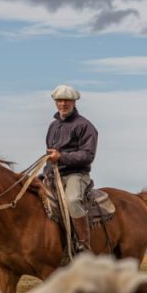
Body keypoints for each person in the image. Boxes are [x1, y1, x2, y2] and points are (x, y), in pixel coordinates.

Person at [45, 84, 98, 254]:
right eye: (59, 100)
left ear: (74, 102)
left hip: (76, 174)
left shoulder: (85, 126)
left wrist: (61, 157)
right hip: (54, 174)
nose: (63, 104)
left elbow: (88, 155)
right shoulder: (53, 126)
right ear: (55, 102)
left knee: (73, 201)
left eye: (67, 101)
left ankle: (83, 245)